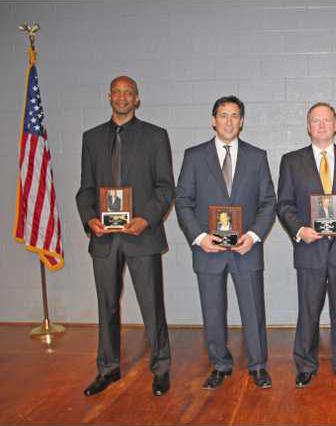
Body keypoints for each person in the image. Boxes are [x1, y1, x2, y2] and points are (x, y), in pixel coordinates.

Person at [76, 75, 174, 396]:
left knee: (152, 306)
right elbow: (86, 189)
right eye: (117, 92)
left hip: (142, 235)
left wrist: (146, 219)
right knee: (106, 306)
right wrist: (90, 218)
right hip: (104, 238)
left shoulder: (155, 136)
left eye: (128, 93)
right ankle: (108, 368)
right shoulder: (91, 138)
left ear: (137, 98)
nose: (122, 97)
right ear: (109, 96)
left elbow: (165, 187)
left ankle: (161, 368)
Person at [175, 96, 276, 390]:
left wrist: (253, 236)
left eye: (234, 115)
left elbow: (268, 202)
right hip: (209, 249)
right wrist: (200, 238)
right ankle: (219, 364)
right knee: (212, 311)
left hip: (246, 249)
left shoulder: (257, 157)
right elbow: (183, 201)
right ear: (213, 120)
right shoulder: (194, 156)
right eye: (223, 115)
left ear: (242, 121)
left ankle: (258, 366)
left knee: (253, 310)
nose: (229, 121)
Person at [277, 102, 336, 388]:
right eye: (315, 121)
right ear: (308, 127)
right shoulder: (291, 161)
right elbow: (284, 204)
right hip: (310, 248)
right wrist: (300, 230)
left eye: (327, 120)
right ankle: (305, 365)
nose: (321, 125)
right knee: (308, 312)